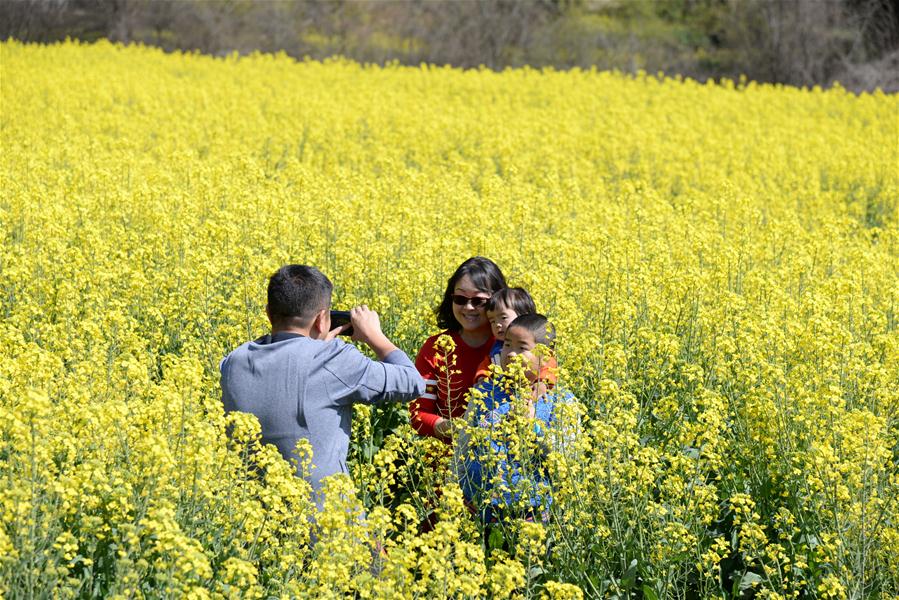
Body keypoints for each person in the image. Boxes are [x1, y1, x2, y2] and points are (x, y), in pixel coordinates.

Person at [220, 265, 425, 499]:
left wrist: (318, 349)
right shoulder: (333, 359)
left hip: (251, 524)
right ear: (322, 319)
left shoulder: (232, 362)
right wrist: (374, 335)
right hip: (327, 524)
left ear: (268, 313)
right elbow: (412, 382)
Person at [457, 313, 576, 525]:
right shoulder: (484, 392)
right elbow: (463, 445)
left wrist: (532, 429)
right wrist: (455, 490)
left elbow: (565, 460)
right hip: (476, 506)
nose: (510, 354)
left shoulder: (560, 401)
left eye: (522, 348)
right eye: (506, 345)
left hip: (530, 513)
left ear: (546, 355)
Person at [410, 257, 506, 441]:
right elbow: (418, 414)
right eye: (460, 299)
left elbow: (545, 368)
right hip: (448, 462)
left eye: (479, 301)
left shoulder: (511, 346)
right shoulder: (436, 348)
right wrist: (452, 429)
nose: (468, 307)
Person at [473, 287, 557, 385]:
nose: (497, 324)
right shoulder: (496, 348)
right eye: (492, 321)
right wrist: (482, 377)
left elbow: (549, 365)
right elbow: (486, 365)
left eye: (503, 317)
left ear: (524, 317)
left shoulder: (536, 343)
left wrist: (542, 383)